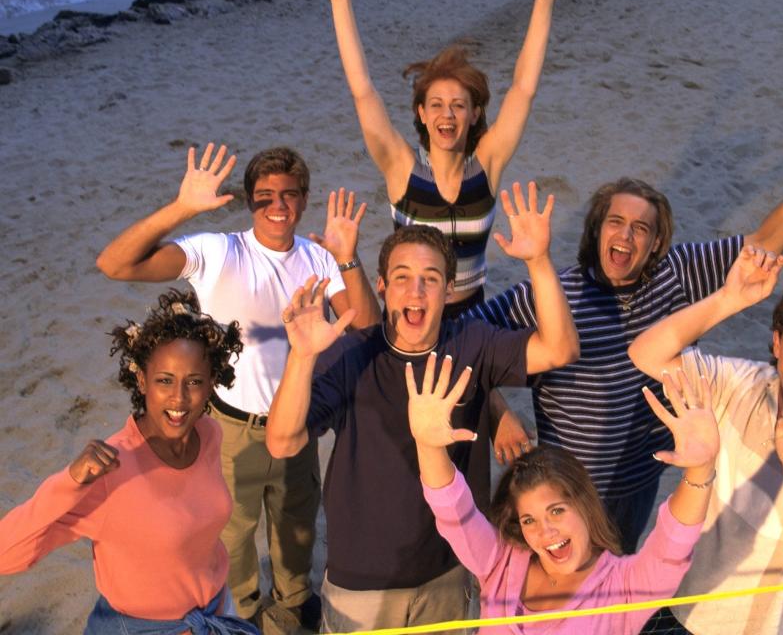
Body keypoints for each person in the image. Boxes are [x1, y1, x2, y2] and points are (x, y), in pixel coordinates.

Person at [468, 100, 783, 552]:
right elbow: (463, 347)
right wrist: (499, 416)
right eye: (615, 222)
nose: (626, 236)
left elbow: (769, 240)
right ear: (596, 231)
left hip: (637, 485)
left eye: (641, 229)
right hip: (563, 489)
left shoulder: (677, 272)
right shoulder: (549, 295)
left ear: (656, 244)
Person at [300, 0, 572, 459]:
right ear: (422, 116)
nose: (448, 114)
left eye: (459, 106)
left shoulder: (487, 165)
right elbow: (362, 90)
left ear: (474, 117)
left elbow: (524, 86)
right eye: (437, 105)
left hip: (472, 315)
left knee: (464, 441)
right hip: (408, 312)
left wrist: (544, 1)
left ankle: (491, 422)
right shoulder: (403, 167)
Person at [266, 182, 579, 632]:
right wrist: (301, 355)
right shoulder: (353, 354)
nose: (416, 291)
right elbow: (281, 442)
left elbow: (560, 349)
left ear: (449, 290)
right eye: (402, 277)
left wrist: (539, 262)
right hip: (362, 582)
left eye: (430, 279)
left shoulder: (471, 342)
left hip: (449, 574)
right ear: (382, 286)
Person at [95, 143, 380, 630]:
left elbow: (369, 331)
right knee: (232, 536)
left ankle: (293, 601)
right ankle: (243, 612)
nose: (278, 206)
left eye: (289, 195)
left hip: (297, 423)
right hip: (228, 429)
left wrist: (349, 259)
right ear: (249, 201)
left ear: (304, 199)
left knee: (296, 528)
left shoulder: (320, 257)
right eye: (265, 195)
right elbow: (116, 265)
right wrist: (182, 208)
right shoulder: (218, 251)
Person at [629, 248, 783, 634]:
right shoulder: (737, 381)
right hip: (663, 598)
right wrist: (728, 299)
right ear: (777, 343)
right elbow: (645, 353)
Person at [0, 290, 257, 634]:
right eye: (164, 380)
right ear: (141, 380)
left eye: (193, 382)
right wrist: (70, 482)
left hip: (214, 613)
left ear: (212, 383)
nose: (179, 398)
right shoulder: (109, 471)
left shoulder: (209, 434)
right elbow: (7, 553)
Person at [407, 351, 720, 634]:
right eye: (529, 520)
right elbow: (453, 510)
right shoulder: (499, 562)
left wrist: (701, 469)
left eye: (556, 510)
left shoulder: (625, 588)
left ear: (584, 505)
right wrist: (427, 445)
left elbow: (672, 546)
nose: (545, 531)